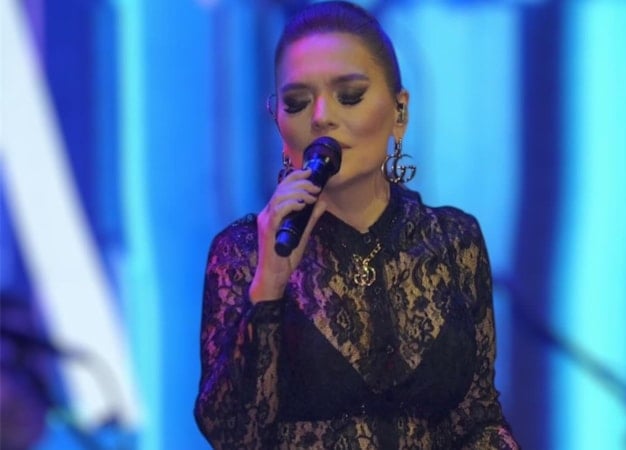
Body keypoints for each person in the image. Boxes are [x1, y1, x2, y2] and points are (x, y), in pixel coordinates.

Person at [194, 2, 519, 448]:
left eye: (349, 96)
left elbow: (477, 419)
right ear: (277, 120)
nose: (321, 116)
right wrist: (269, 284)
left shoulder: (453, 241)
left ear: (399, 112)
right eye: (297, 102)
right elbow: (233, 434)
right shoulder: (243, 252)